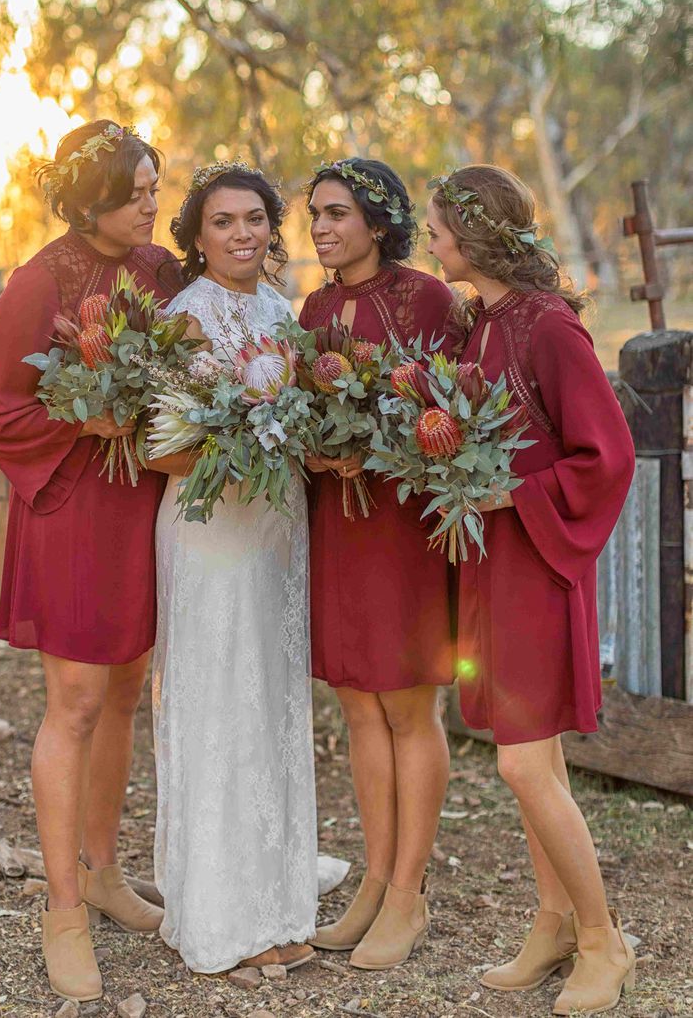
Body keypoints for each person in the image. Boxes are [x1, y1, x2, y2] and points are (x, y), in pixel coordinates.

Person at [0, 120, 183, 1003]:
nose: (150, 202)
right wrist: (79, 422)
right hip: (70, 506)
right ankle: (61, 906)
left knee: (128, 685)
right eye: (135, 190)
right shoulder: (38, 280)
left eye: (155, 185)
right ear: (90, 196)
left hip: (143, 503)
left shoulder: (163, 272)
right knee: (78, 699)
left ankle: (102, 868)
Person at [426, 164, 636, 1016]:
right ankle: (551, 922)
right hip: (492, 564)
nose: (430, 241)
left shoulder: (549, 326)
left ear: (474, 234)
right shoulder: (480, 325)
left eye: (438, 228)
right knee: (533, 758)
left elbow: (608, 453)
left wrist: (517, 493)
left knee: (521, 761)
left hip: (538, 564)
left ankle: (603, 939)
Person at [146, 160, 317, 974]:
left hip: (278, 528)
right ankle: (223, 914)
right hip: (212, 527)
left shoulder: (283, 313)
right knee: (221, 696)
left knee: (272, 700)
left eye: (255, 218)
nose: (243, 233)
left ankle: (278, 899)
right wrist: (237, 448)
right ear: (197, 237)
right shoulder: (184, 317)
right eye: (224, 222)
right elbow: (164, 445)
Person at [300, 158, 454, 970]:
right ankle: (374, 878)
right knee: (360, 707)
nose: (321, 227)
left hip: (401, 529)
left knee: (407, 710)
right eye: (316, 214)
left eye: (336, 213)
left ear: (378, 218)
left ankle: (408, 893)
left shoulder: (426, 296)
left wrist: (381, 445)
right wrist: (321, 454)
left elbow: (452, 410)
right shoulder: (316, 305)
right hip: (339, 524)